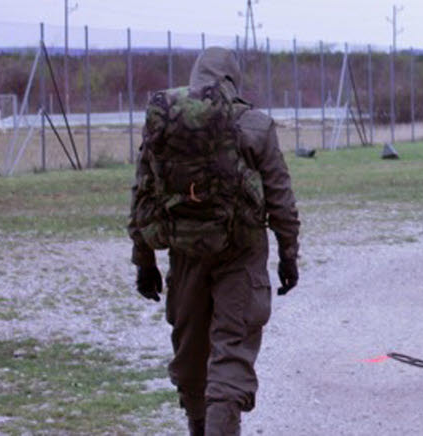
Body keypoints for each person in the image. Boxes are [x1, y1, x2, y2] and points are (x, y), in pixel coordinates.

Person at [127, 47, 300, 435]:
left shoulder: (166, 123)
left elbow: (143, 193)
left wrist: (144, 260)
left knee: (191, 358)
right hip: (241, 251)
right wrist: (289, 255)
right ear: (232, 79)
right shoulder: (255, 124)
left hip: (184, 252)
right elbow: (281, 199)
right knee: (231, 353)